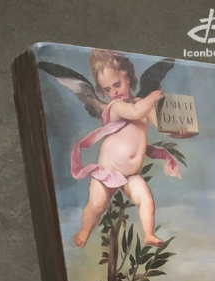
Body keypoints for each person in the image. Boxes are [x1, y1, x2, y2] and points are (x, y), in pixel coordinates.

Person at [71, 50, 186, 248]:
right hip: (107, 170)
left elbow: (161, 126)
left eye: (117, 84)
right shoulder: (116, 107)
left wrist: (178, 133)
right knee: (97, 205)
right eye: (108, 89)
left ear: (128, 78)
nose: (114, 92)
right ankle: (84, 230)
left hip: (130, 175)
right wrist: (152, 97)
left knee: (147, 200)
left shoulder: (143, 104)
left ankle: (148, 234)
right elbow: (135, 112)